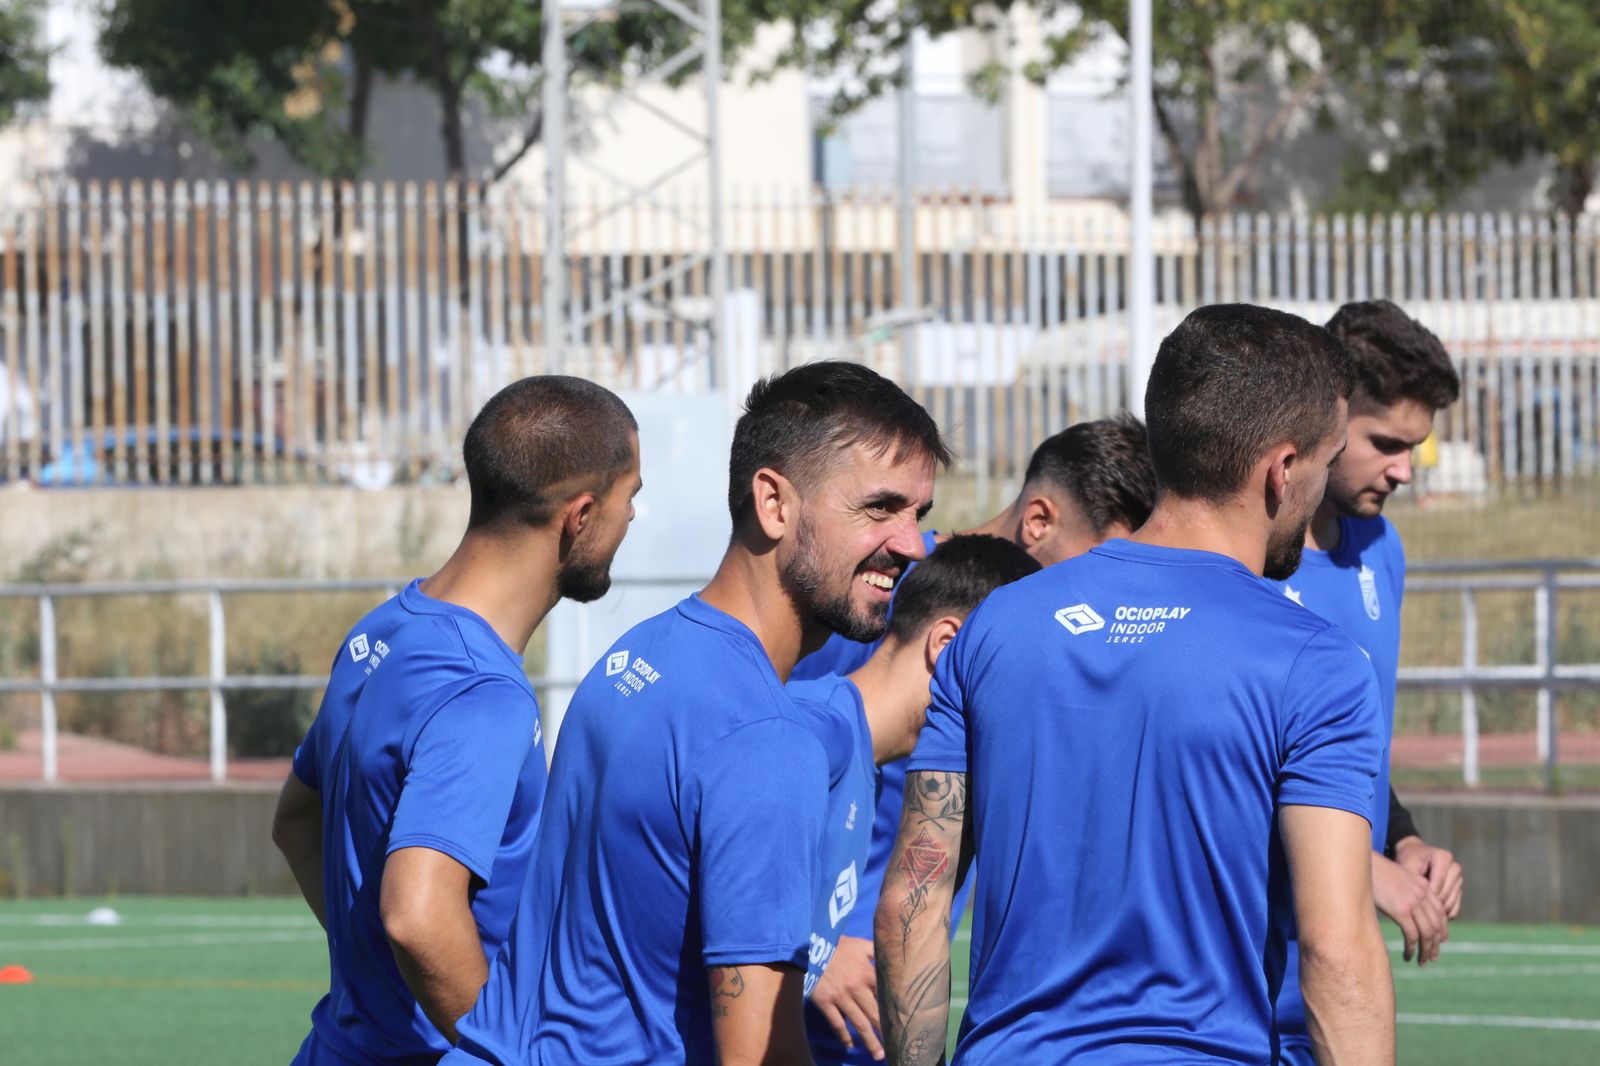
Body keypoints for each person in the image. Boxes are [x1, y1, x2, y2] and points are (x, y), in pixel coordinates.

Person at [879, 304, 1395, 1065]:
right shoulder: (1314, 663)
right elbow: (1336, 948)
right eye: (1324, 463)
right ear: (1283, 472)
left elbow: (911, 906)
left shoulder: (996, 626)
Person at [446, 361, 951, 1066]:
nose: (911, 544)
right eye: (879, 508)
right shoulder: (766, 739)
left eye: (918, 516)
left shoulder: (641, 654)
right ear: (773, 503)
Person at [271, 377, 642, 1064]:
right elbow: (417, 917)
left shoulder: (383, 631)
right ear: (581, 516)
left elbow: (295, 820)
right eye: (631, 499)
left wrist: (383, 981)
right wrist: (509, 1054)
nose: (632, 521)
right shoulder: (484, 695)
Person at [792, 417, 1156, 1064]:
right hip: (809, 999)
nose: (1104, 590)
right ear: (1039, 521)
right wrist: (812, 941)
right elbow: (742, 764)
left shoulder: (1056, 637)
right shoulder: (878, 590)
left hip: (894, 1015)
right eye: (1099, 560)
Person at [1270, 299, 1467, 1065]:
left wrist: (1401, 837)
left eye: (1417, 448)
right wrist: (1360, 868)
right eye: (1387, 443)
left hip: (1333, 997)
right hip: (1220, 1001)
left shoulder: (1383, 548)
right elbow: (1214, 773)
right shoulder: (1240, 560)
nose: (1404, 470)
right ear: (1328, 416)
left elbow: (1349, 751)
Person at [789, 535, 1040, 1064]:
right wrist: (815, 955)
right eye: (1015, 673)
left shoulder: (863, 758)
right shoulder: (809, 731)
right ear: (947, 647)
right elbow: (670, 873)